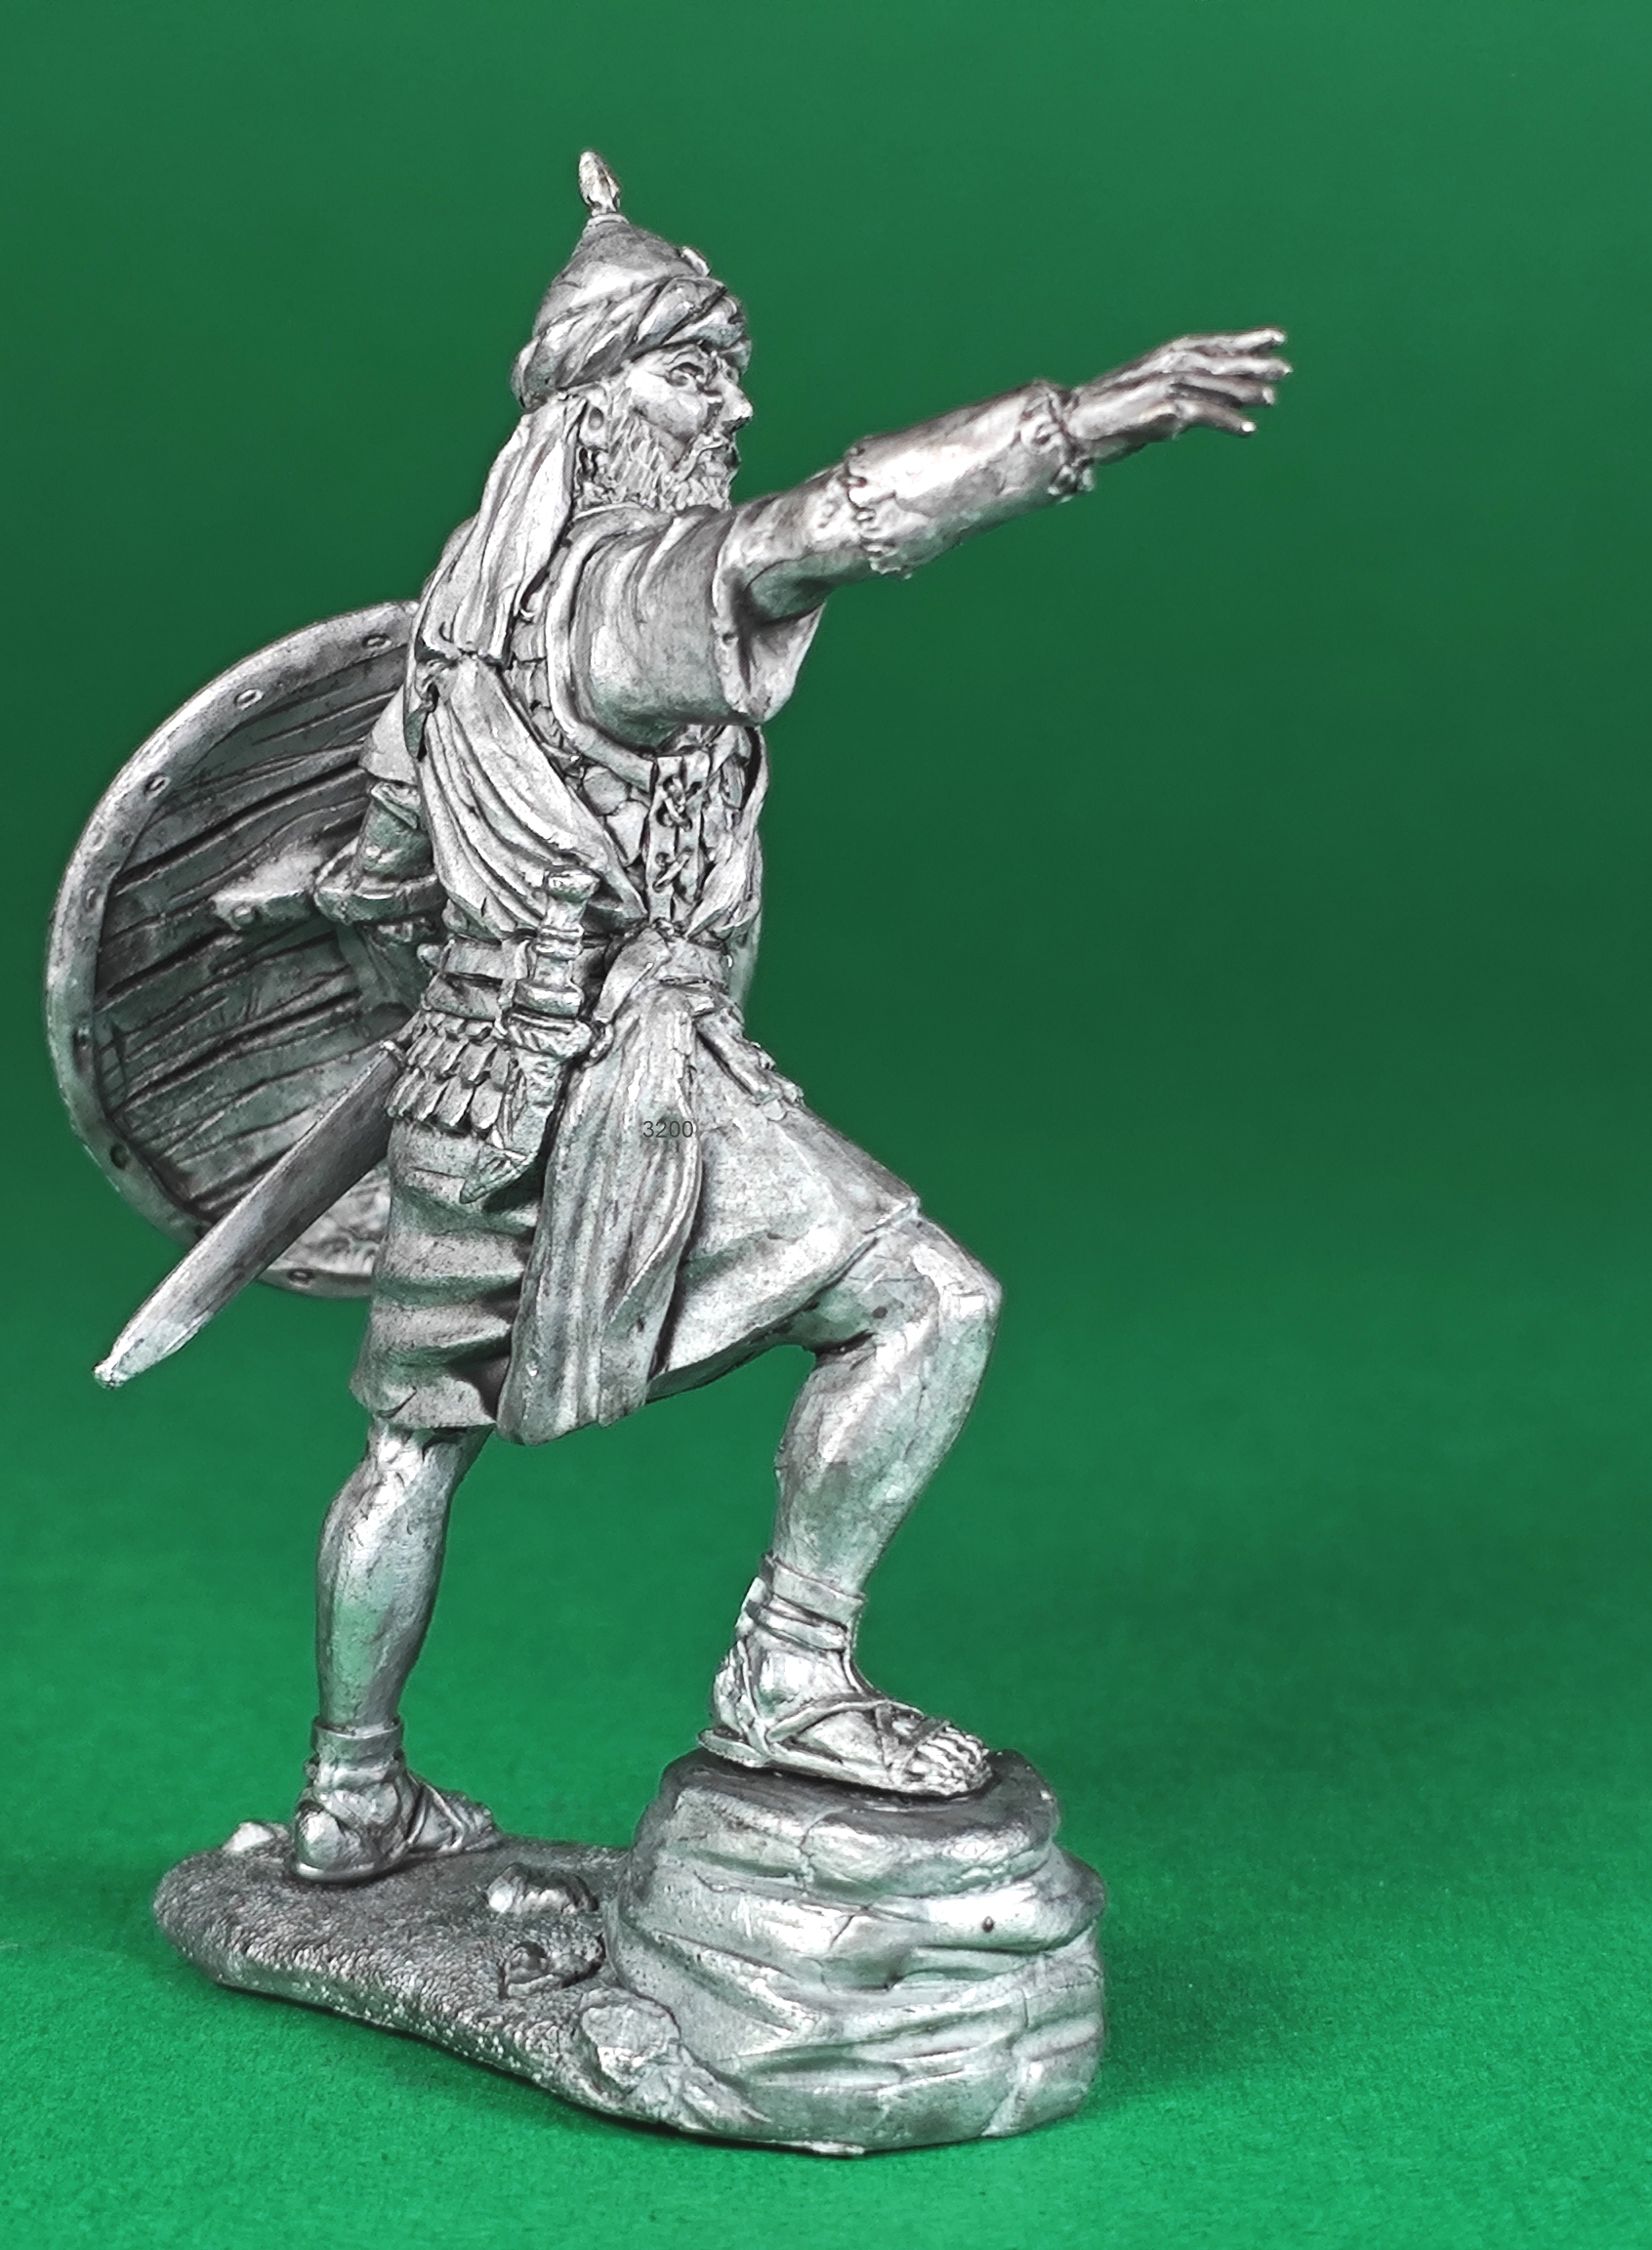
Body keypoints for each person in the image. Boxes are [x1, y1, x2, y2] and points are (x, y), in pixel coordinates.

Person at [289, 152, 1288, 1882]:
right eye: (696, 372)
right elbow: (830, 525)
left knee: (410, 1448)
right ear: (595, 406)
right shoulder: (629, 594)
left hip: (463, 1084)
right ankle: (791, 1672)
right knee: (929, 1304)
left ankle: (350, 1792)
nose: (732, 406)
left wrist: (298, 897)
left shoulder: (455, 635)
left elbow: (373, 873)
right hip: (623, 1078)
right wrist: (1091, 420)